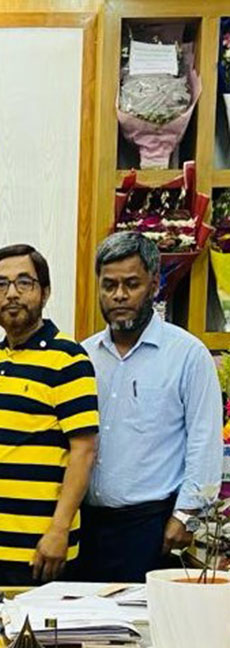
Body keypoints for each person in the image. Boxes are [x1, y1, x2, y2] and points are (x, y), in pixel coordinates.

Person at [79, 232, 223, 582]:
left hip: (152, 527)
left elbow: (205, 442)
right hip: (85, 526)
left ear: (155, 284)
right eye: (109, 285)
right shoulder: (82, 355)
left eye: (131, 284)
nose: (119, 295)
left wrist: (185, 515)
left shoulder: (187, 355)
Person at [0, 244, 98, 585]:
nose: (11, 293)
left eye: (24, 282)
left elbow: (84, 452)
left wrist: (59, 529)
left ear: (45, 292)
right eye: (0, 285)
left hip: (38, 552)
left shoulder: (69, 358)